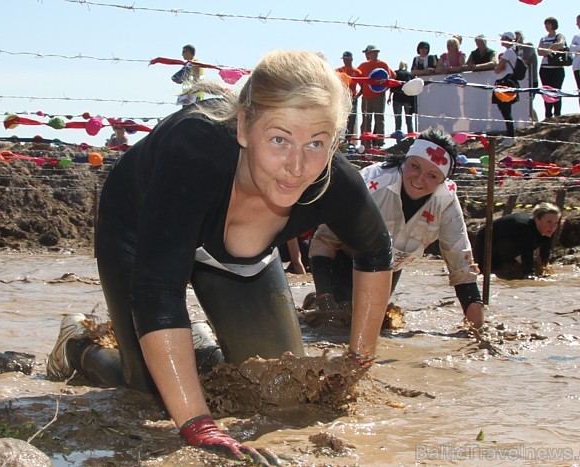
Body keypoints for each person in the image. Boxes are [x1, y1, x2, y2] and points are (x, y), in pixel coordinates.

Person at [46, 50, 393, 464]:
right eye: (279, 139)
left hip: (232, 252)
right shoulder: (194, 151)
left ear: (334, 141)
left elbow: (375, 252)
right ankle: (78, 346)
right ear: (244, 126)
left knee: (275, 389)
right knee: (150, 391)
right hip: (141, 230)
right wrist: (198, 425)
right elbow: (157, 290)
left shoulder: (334, 181)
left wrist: (356, 365)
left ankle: (194, 344)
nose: (296, 167)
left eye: (316, 143)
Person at [309, 128, 484, 328]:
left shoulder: (446, 203)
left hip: (388, 267)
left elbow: (460, 264)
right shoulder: (374, 184)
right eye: (415, 166)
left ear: (443, 181)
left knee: (375, 323)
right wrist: (325, 297)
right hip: (343, 257)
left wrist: (477, 333)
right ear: (405, 161)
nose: (419, 179)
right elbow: (323, 240)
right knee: (337, 323)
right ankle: (317, 300)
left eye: (432, 176)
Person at [474, 203, 561, 280]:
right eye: (549, 222)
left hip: (509, 244)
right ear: (537, 219)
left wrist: (544, 270)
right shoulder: (526, 228)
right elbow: (527, 257)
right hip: (487, 241)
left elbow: (544, 255)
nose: (553, 227)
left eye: (556, 222)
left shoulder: (548, 229)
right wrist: (530, 277)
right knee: (490, 274)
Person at [357, 45, 395, 148]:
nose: (367, 55)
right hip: (366, 96)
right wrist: (363, 89)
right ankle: (365, 143)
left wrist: (384, 89)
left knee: (379, 118)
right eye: (367, 53)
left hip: (379, 96)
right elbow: (357, 77)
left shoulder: (383, 64)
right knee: (366, 120)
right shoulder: (363, 65)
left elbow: (392, 77)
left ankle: (379, 143)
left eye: (369, 53)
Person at [492, 32, 520, 149]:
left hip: (505, 82)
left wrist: (498, 66)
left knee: (506, 110)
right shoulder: (512, 52)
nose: (501, 40)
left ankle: (511, 136)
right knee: (505, 110)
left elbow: (498, 69)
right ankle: (509, 135)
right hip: (506, 81)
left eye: (503, 38)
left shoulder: (508, 52)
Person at [537, 17, 567, 119]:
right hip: (545, 68)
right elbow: (539, 51)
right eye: (545, 24)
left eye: (548, 24)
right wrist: (550, 49)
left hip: (557, 68)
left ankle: (557, 114)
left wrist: (548, 49)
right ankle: (548, 115)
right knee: (546, 92)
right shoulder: (543, 38)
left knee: (556, 91)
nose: (546, 26)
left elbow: (560, 45)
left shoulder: (560, 35)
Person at [335, 51, 362, 139]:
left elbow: (364, 85)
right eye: (344, 59)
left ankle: (349, 139)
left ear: (351, 59)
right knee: (340, 117)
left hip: (352, 98)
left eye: (347, 59)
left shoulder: (357, 72)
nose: (345, 61)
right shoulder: (338, 71)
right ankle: (338, 138)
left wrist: (358, 95)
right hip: (341, 98)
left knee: (352, 119)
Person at [388, 61, 414, 134]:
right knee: (409, 120)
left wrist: (389, 97)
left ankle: (398, 138)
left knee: (398, 119)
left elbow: (392, 86)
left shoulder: (395, 73)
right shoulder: (409, 74)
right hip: (407, 98)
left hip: (397, 97)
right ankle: (411, 136)